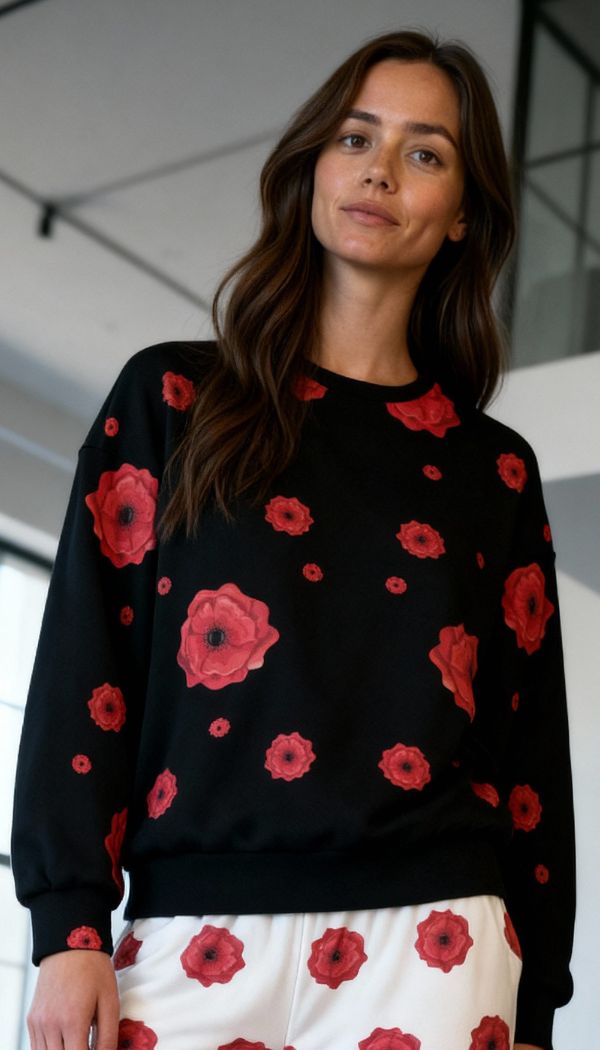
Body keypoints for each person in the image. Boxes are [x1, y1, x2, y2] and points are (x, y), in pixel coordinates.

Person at [11, 27, 575, 1050]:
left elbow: (527, 749)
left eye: (426, 152)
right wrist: (67, 927)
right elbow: (86, 673)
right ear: (314, 164)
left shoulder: (494, 470)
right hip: (192, 933)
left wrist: (538, 1002)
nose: (381, 171)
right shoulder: (172, 400)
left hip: (438, 942)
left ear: (460, 215)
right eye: (358, 137)